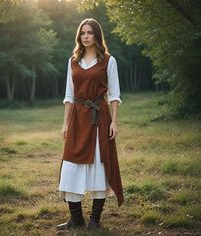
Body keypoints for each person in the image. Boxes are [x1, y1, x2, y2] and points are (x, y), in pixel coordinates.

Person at [57, 18, 124, 231]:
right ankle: (76, 218)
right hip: (77, 118)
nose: (85, 36)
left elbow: (114, 94)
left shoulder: (108, 60)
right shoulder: (73, 61)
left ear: (96, 35)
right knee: (71, 167)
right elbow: (69, 94)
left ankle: (95, 220)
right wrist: (65, 123)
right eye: (82, 33)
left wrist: (114, 121)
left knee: (98, 166)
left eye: (89, 32)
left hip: (99, 118)